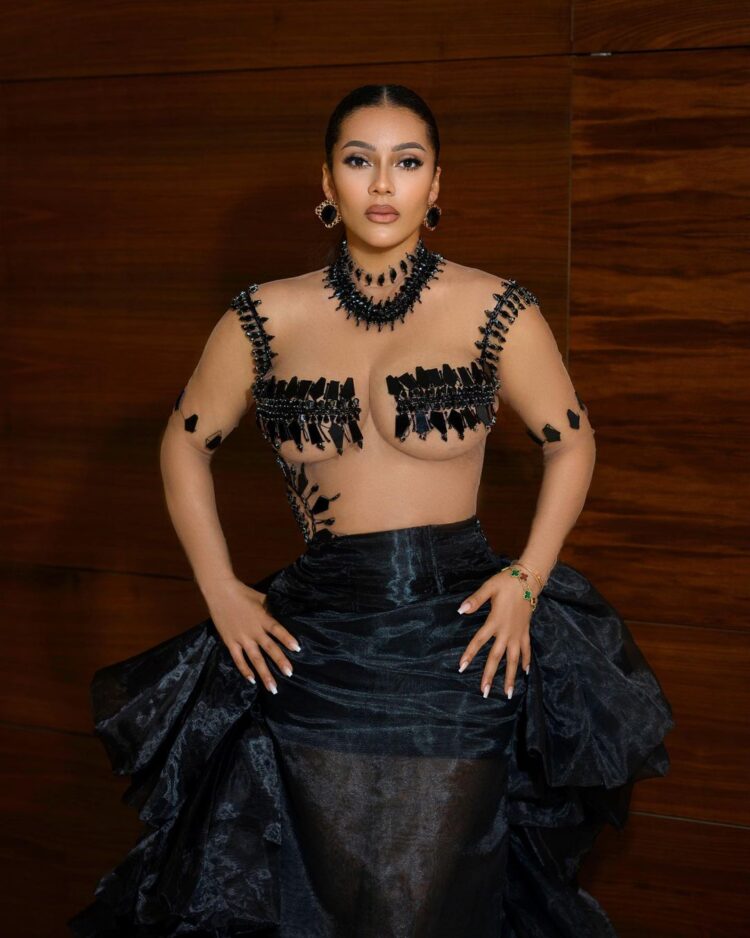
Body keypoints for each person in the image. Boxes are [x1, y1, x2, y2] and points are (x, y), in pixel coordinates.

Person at [67, 84, 674, 938]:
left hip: (459, 647)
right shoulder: (264, 316)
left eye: (407, 162)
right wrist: (221, 589)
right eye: (360, 161)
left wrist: (527, 581)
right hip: (310, 649)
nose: (383, 184)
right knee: (311, 898)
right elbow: (184, 443)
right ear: (328, 181)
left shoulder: (496, 308)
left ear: (436, 183)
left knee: (434, 902)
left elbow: (571, 442)